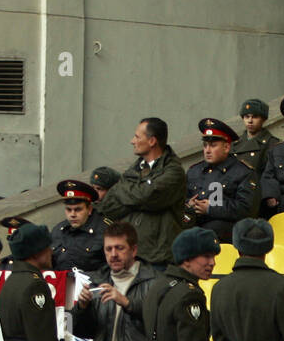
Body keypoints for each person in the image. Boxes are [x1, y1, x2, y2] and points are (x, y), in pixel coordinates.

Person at [92, 116, 187, 276]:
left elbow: (148, 196)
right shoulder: (133, 170)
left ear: (152, 141)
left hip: (158, 260)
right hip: (130, 257)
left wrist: (129, 193)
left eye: (137, 136)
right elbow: (109, 206)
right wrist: (138, 194)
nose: (132, 141)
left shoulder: (174, 172)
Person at [71, 221, 156, 341]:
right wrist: (82, 308)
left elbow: (158, 323)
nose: (113, 254)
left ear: (134, 250)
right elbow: (80, 331)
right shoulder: (97, 280)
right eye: (108, 249)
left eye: (119, 248)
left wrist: (127, 303)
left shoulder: (153, 281)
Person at [142, 226, 220, 341]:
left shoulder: (158, 285)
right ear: (186, 259)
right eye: (206, 256)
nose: (212, 262)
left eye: (213, 257)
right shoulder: (189, 295)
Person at [0, 223, 67, 341]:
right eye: (47, 247)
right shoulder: (34, 286)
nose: (51, 251)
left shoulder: (10, 281)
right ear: (36, 253)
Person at [184, 118, 258, 242]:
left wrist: (211, 208)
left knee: (210, 231)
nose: (207, 150)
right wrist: (189, 205)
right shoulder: (194, 171)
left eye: (213, 145)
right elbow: (180, 200)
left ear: (226, 147)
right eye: (205, 145)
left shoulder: (242, 172)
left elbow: (247, 209)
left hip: (226, 230)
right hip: (195, 223)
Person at [50, 179, 106, 274]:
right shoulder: (58, 231)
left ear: (89, 209)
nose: (72, 214)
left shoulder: (104, 230)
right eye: (69, 209)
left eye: (78, 209)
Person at [233, 98, 278, 173]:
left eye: (255, 117)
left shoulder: (272, 144)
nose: (250, 121)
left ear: (263, 119)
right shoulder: (234, 143)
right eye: (247, 117)